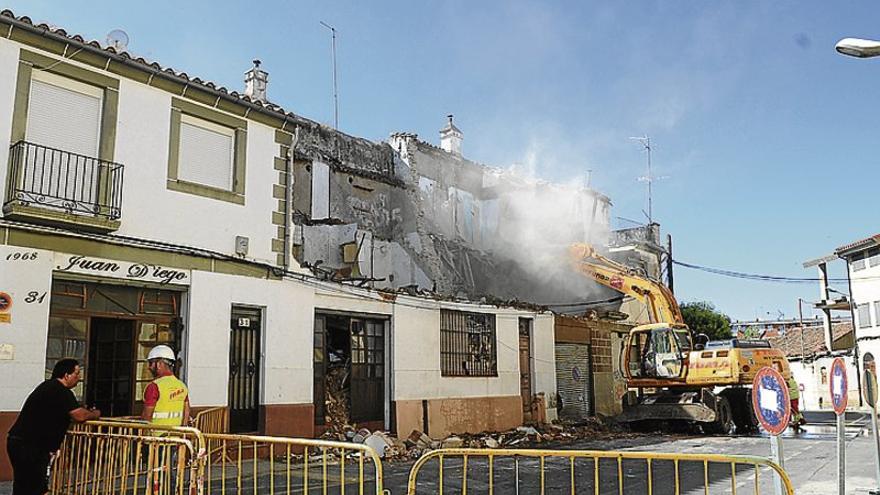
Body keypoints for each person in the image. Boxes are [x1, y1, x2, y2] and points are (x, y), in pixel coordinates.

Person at [6, 358, 100, 495]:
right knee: (35, 486)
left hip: (21, 442)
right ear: (66, 375)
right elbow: (79, 415)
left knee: (25, 485)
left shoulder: (48, 387)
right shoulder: (60, 391)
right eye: (76, 373)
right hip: (30, 446)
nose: (79, 378)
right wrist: (95, 414)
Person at [141, 345, 190, 428]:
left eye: (151, 363)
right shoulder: (181, 386)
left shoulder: (154, 387)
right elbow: (186, 412)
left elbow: (147, 416)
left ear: (159, 364)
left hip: (157, 438)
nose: (149, 367)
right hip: (177, 438)